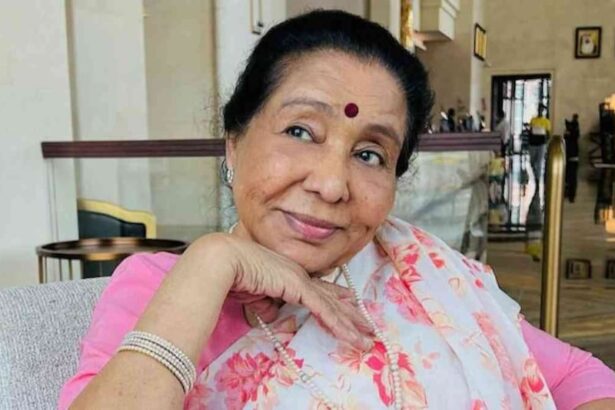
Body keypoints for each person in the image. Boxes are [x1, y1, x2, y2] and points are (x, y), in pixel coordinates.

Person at [60, 11, 615, 410]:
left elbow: (578, 375)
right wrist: (214, 261)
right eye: (301, 131)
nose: (330, 185)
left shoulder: (418, 273)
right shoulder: (167, 289)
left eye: (370, 154)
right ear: (234, 144)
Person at [526, 104, 552, 261]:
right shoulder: (534, 120)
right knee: (532, 162)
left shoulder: (546, 122)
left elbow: (547, 134)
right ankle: (535, 177)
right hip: (533, 143)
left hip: (540, 143)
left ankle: (536, 178)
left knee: (538, 163)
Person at [565, 114, 580, 202]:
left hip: (570, 153)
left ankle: (568, 185)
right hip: (573, 154)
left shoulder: (572, 129)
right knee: (572, 175)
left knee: (570, 174)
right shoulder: (575, 127)